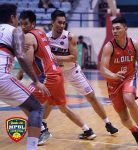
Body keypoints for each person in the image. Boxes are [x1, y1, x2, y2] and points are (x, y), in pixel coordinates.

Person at [17, 10, 96, 145]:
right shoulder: (41, 33)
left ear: (33, 24)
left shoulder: (28, 37)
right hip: (57, 73)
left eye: (26, 24)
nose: (23, 27)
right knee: (63, 107)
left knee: (23, 99)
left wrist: (20, 72)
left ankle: (42, 131)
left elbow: (28, 61)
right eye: (21, 24)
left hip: (48, 76)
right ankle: (87, 130)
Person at [43, 9, 118, 141]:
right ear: (52, 22)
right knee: (51, 99)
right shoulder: (46, 38)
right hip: (57, 73)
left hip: (73, 72)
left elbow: (73, 58)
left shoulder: (70, 36)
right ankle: (42, 122)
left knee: (92, 97)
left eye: (63, 23)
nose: (61, 25)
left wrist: (56, 58)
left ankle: (108, 123)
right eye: (59, 22)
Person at [0, 3, 50, 150]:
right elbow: (22, 57)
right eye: (16, 17)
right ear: (12, 17)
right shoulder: (15, 31)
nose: (17, 20)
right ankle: (31, 147)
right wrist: (36, 81)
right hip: (2, 77)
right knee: (36, 108)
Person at [100, 16, 138, 147]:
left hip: (129, 77)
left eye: (118, 28)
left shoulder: (134, 44)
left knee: (129, 99)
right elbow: (103, 70)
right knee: (124, 118)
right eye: (113, 29)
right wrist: (114, 75)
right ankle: (135, 131)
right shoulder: (109, 47)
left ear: (125, 28)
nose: (115, 31)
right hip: (113, 83)